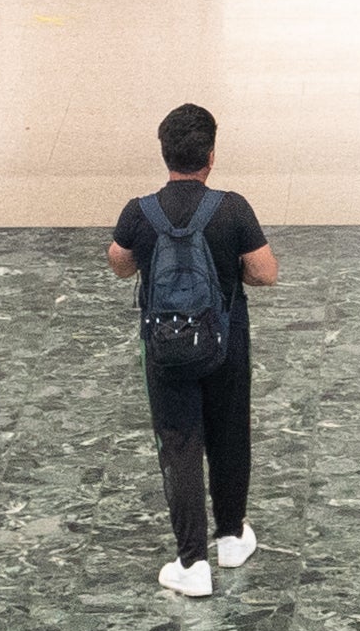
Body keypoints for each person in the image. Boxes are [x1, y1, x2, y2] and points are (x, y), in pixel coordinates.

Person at [104, 103, 277, 599]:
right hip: (226, 342)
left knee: (179, 446)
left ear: (165, 155)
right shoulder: (232, 208)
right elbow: (265, 272)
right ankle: (230, 538)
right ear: (211, 156)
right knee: (229, 435)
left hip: (164, 350)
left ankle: (191, 563)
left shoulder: (140, 212)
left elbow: (119, 263)